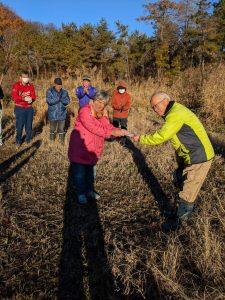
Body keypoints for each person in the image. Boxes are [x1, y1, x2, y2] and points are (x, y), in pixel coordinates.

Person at [133, 91, 215, 231]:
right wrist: (181, 163)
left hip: (199, 157)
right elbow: (178, 142)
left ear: (165, 101)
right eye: (153, 107)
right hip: (190, 156)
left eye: (156, 106)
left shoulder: (175, 114)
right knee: (179, 178)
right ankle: (182, 210)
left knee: (187, 192)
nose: (155, 110)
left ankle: (180, 224)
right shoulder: (173, 112)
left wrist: (141, 138)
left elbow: (162, 135)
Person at [68, 90, 127, 204]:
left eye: (103, 103)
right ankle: (81, 194)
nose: (100, 105)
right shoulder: (85, 111)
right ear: (94, 100)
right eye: (99, 101)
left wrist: (118, 130)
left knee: (91, 173)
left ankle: (89, 191)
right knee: (80, 174)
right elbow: (93, 128)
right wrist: (112, 133)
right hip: (81, 148)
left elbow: (107, 126)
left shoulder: (103, 113)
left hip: (93, 149)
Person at [11, 70, 36, 147]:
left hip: (29, 108)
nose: (26, 78)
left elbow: (34, 96)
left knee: (29, 126)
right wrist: (23, 98)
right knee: (20, 126)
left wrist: (32, 99)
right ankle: (18, 141)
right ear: (20, 77)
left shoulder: (31, 86)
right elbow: (14, 97)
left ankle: (28, 140)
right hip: (20, 108)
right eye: (24, 77)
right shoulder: (16, 85)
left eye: (27, 77)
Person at [46, 78, 70, 144]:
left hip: (62, 114)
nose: (59, 86)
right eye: (57, 85)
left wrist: (62, 99)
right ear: (54, 84)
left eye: (60, 85)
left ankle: (61, 142)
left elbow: (67, 101)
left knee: (61, 129)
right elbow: (49, 101)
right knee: (52, 129)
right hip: (52, 114)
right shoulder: (49, 91)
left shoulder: (65, 92)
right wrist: (58, 99)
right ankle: (52, 142)